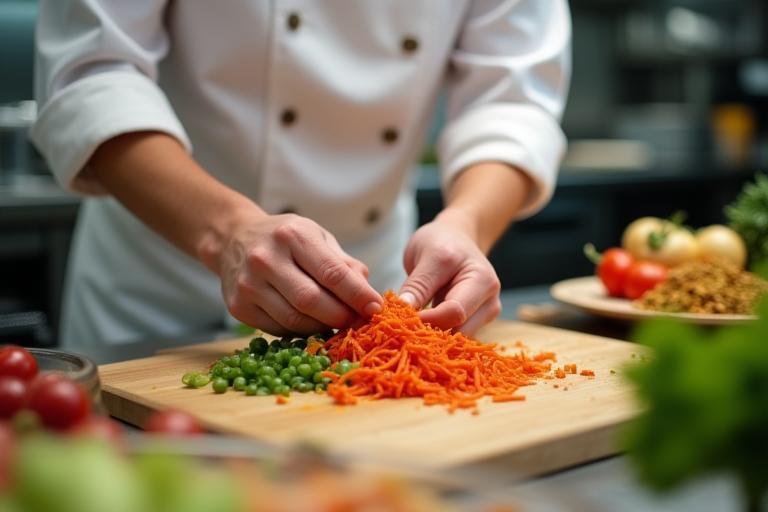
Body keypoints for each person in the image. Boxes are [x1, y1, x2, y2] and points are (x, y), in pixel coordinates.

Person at [32, 1, 571, 352]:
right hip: (161, 286)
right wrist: (226, 233)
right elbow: (92, 76)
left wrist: (466, 223)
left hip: (374, 303)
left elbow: (513, 99)